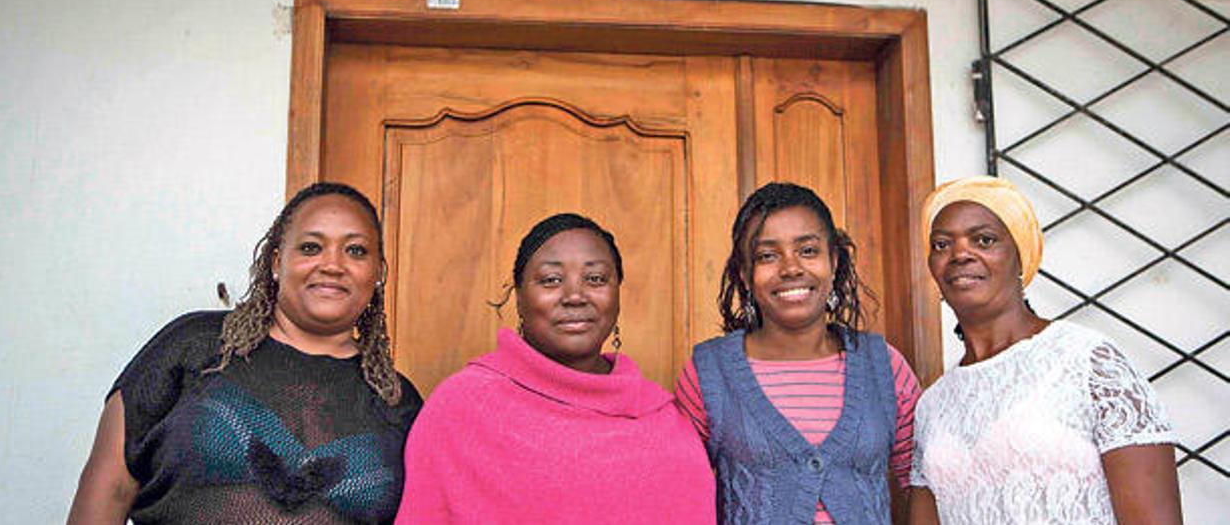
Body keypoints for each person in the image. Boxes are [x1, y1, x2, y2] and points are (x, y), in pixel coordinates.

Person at [68, 182, 422, 524]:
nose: (332, 264)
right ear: (276, 261)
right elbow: (110, 486)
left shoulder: (397, 401)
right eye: (311, 247)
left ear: (377, 272)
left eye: (356, 250)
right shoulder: (193, 346)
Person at [396, 213, 714, 524]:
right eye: (551, 280)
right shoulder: (460, 408)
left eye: (596, 279)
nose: (575, 296)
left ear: (617, 295)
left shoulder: (663, 423)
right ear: (519, 297)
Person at [909, 175, 1182, 524]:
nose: (960, 254)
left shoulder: (1088, 363)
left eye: (984, 240)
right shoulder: (934, 405)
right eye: (942, 244)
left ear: (1020, 257)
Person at [675, 182, 922, 524]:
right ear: (745, 274)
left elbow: (923, 485)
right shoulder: (709, 374)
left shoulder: (884, 366)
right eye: (767, 256)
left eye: (807, 251)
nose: (791, 268)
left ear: (833, 261)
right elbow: (678, 495)